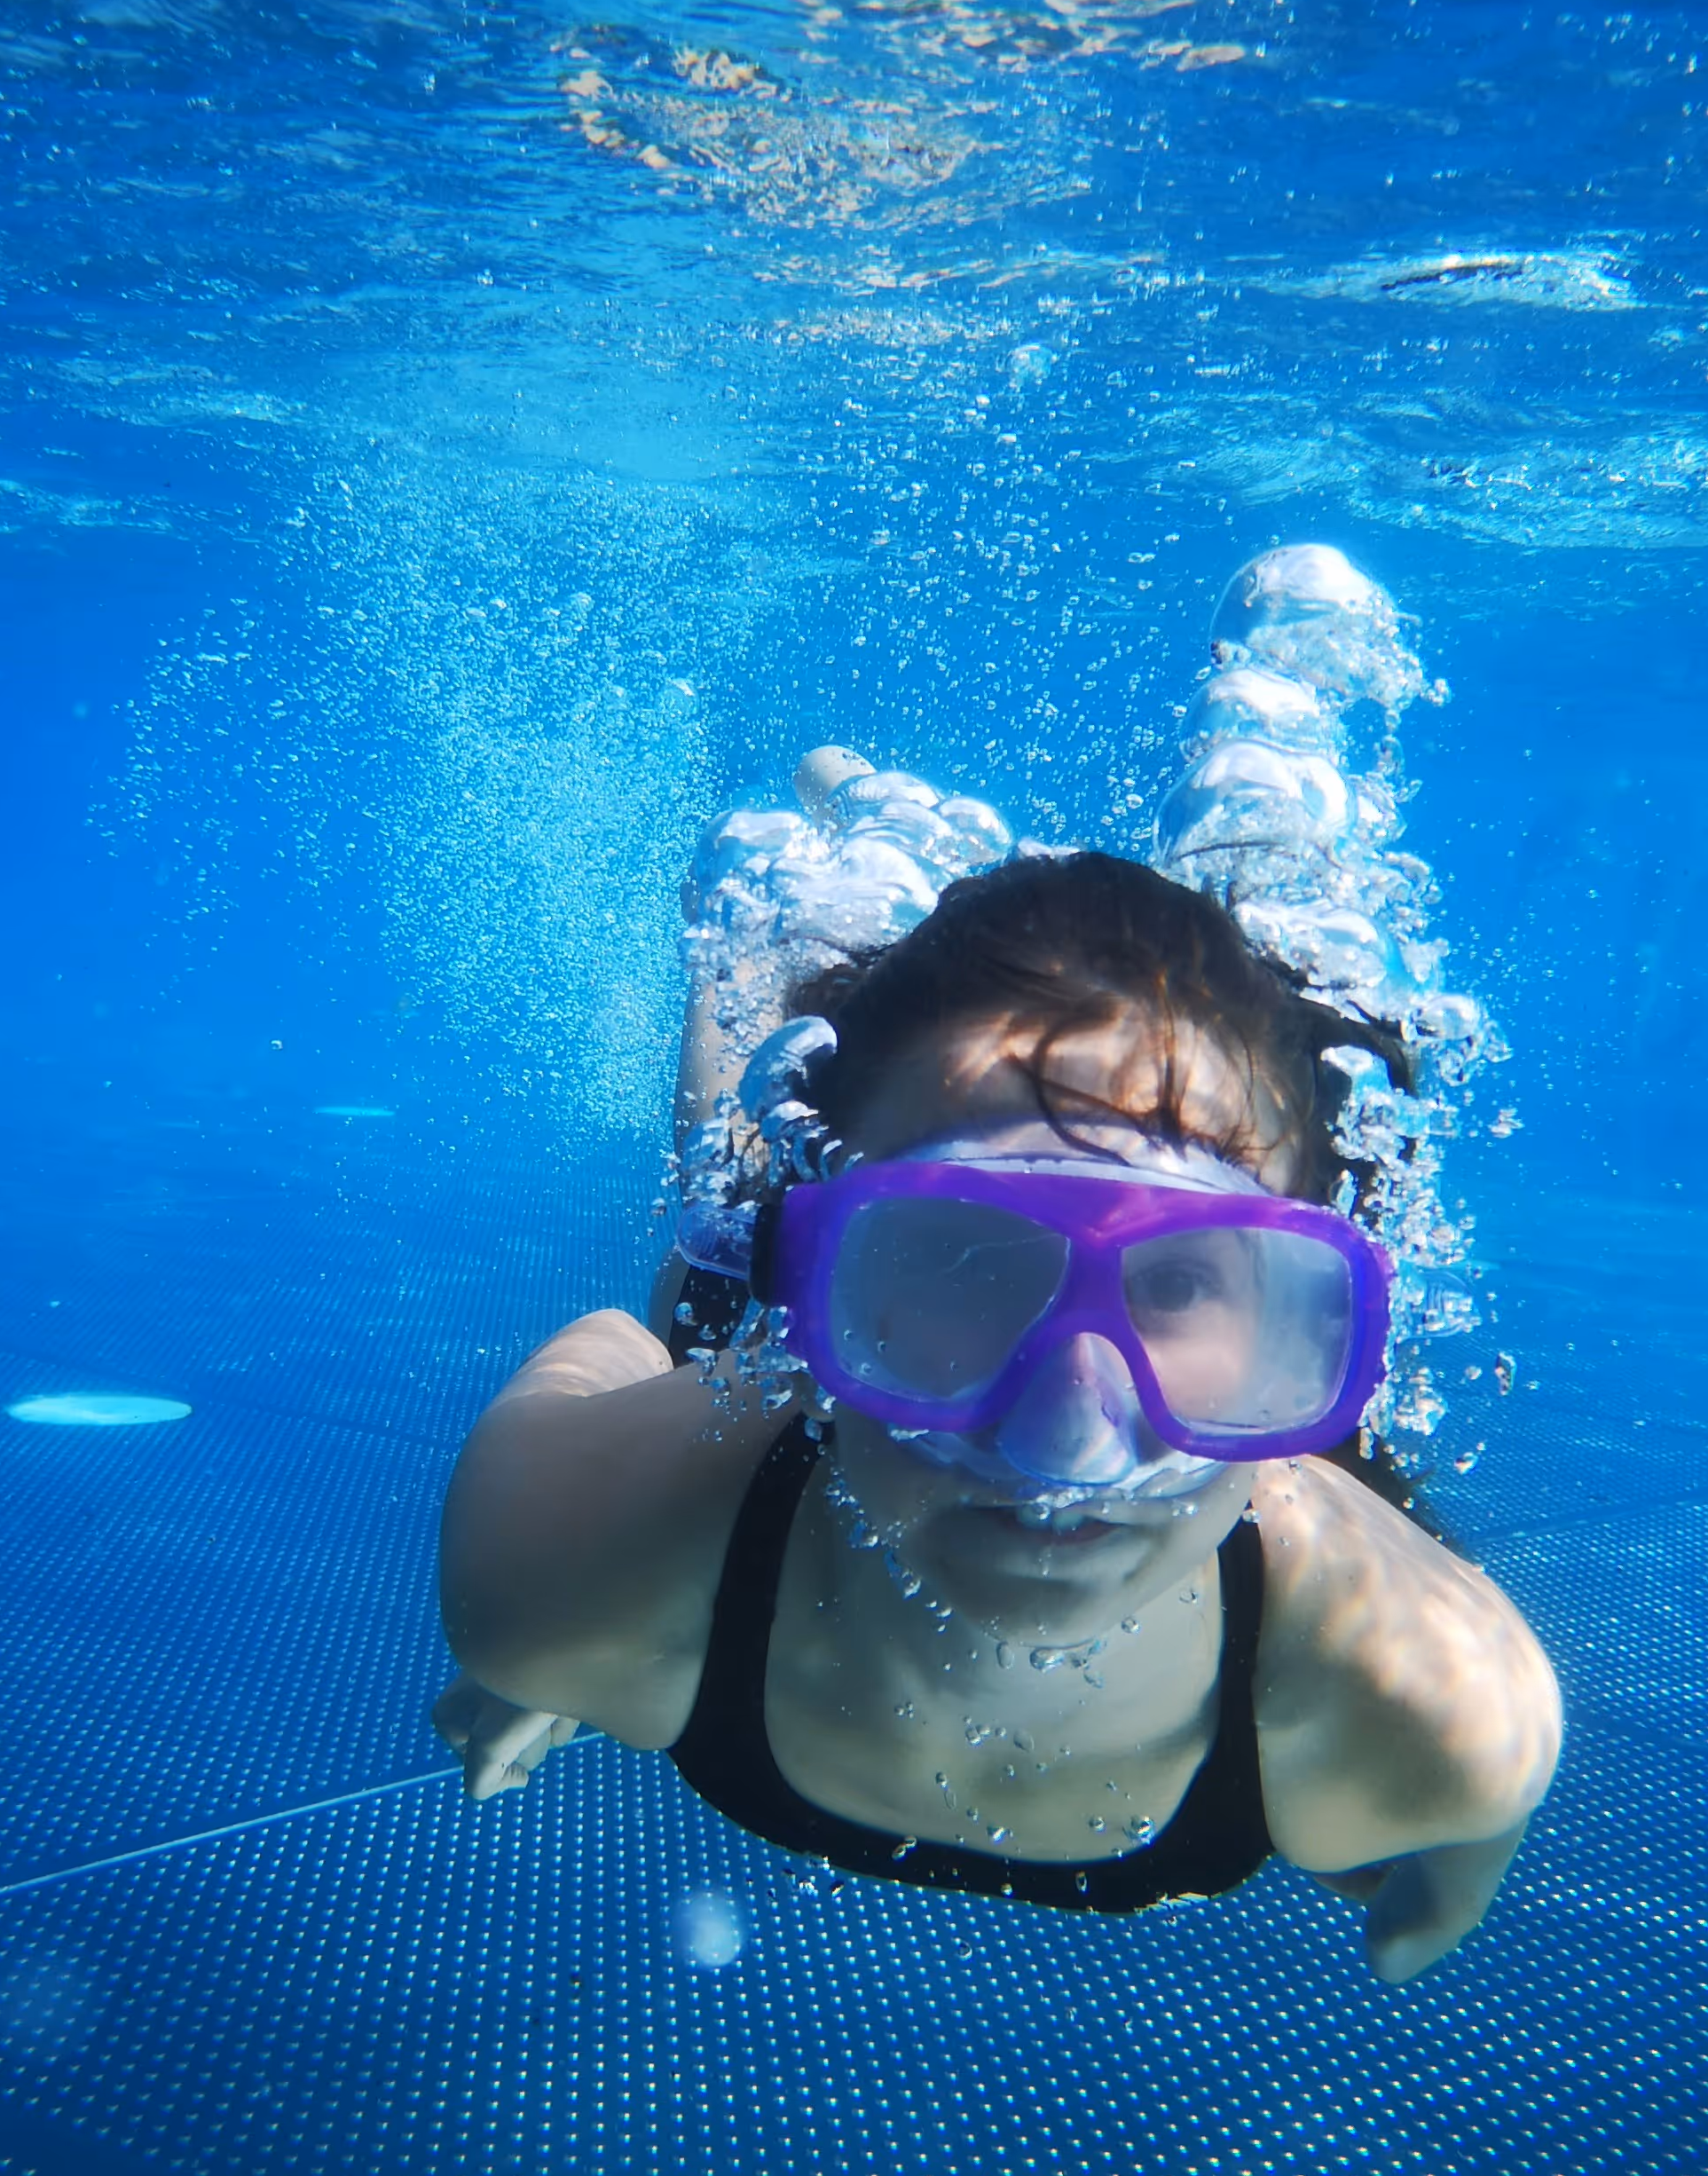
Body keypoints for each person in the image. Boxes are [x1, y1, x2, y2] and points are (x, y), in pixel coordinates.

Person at [434, 809, 1560, 1983]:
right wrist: (559, 1587)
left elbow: (1479, 1814)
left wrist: (1449, 1894)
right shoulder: (551, 1580)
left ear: (1307, 1331)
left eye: (1178, 1282)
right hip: (745, 1435)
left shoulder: (1443, 1716)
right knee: (722, 1188)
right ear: (823, 1292)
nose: (1066, 1446)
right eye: (961, 1256)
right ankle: (760, 944)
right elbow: (617, 1342)